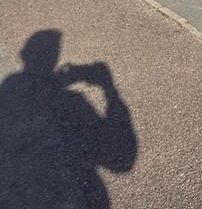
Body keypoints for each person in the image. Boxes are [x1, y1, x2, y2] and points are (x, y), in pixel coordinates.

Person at [0, 30, 137, 208]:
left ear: (23, 54)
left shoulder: (11, 85)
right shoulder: (74, 101)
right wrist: (109, 88)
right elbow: (121, 162)